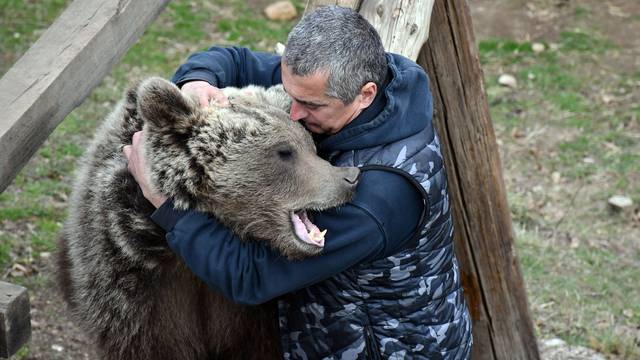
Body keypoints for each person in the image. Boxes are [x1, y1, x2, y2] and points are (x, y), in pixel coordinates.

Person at [124, 5, 472, 359]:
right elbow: (234, 60)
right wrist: (195, 84)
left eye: (309, 105)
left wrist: (167, 208)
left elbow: (253, 277)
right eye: (291, 94)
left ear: (365, 94)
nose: (292, 112)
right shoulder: (340, 81)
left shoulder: (381, 195)